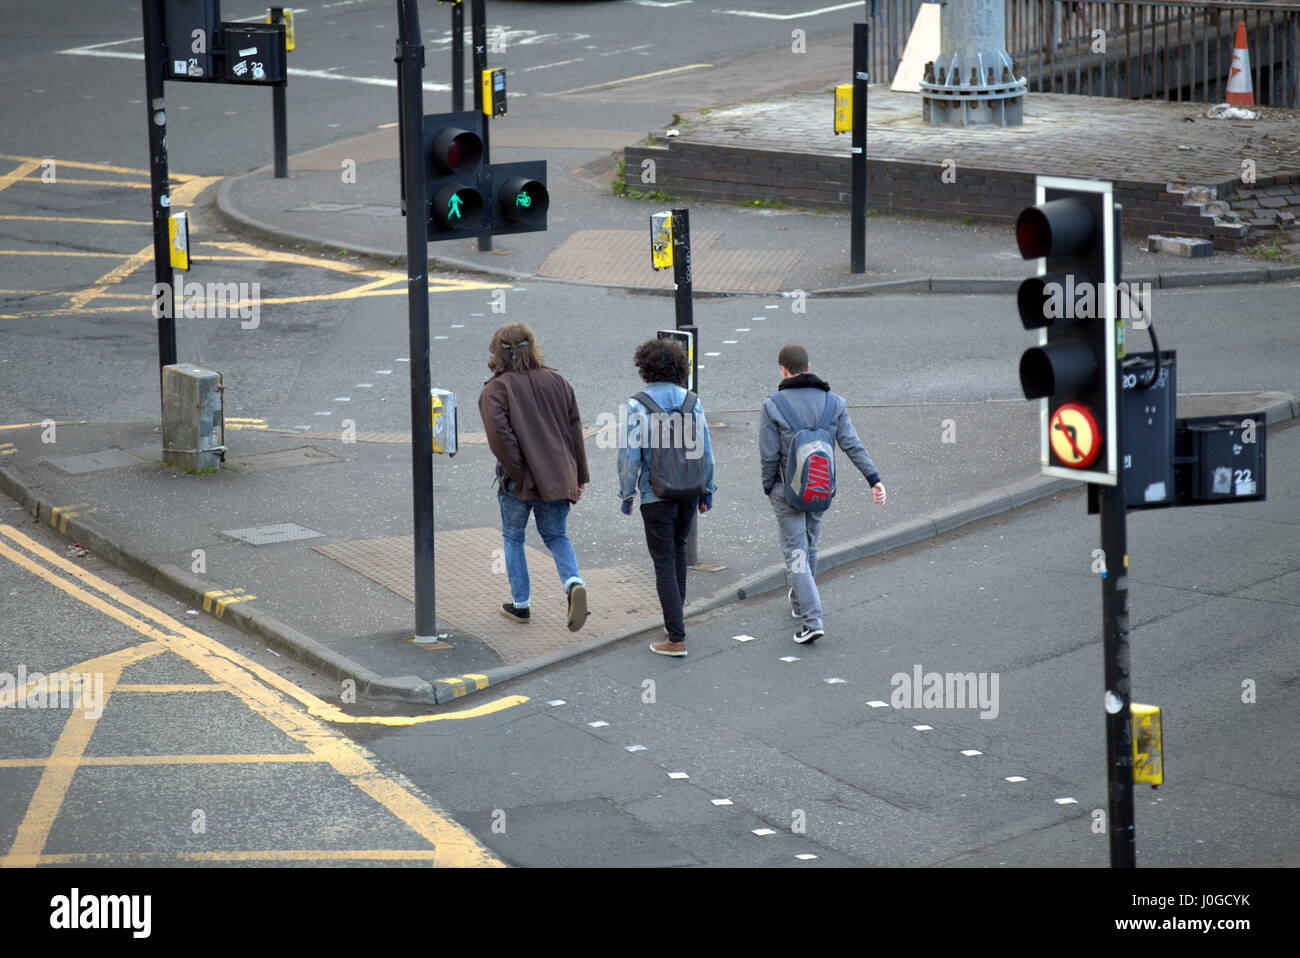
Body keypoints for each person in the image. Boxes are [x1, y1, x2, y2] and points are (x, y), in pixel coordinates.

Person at [759, 344, 886, 644]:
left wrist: (769, 487)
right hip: (820, 486)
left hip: (786, 490)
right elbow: (852, 445)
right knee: (810, 545)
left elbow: (768, 454)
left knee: (796, 554)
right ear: (809, 366)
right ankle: (800, 600)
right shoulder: (834, 402)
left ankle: (812, 619)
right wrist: (873, 478)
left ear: (782, 369)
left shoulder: (773, 404)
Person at [479, 322, 590, 632]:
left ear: (498, 353)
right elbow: (574, 431)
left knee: (513, 538)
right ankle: (573, 583)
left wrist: (519, 472)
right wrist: (578, 476)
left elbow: (501, 437)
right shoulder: (558, 381)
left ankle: (521, 605)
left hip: (519, 482)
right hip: (558, 476)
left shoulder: (496, 389)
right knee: (557, 535)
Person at [618, 339, 716, 657]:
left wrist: (626, 494)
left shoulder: (637, 405)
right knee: (678, 554)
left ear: (645, 367)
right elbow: (706, 452)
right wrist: (707, 491)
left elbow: (630, 458)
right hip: (689, 491)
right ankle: (676, 620)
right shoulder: (692, 401)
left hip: (655, 494)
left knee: (663, 563)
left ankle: (675, 637)